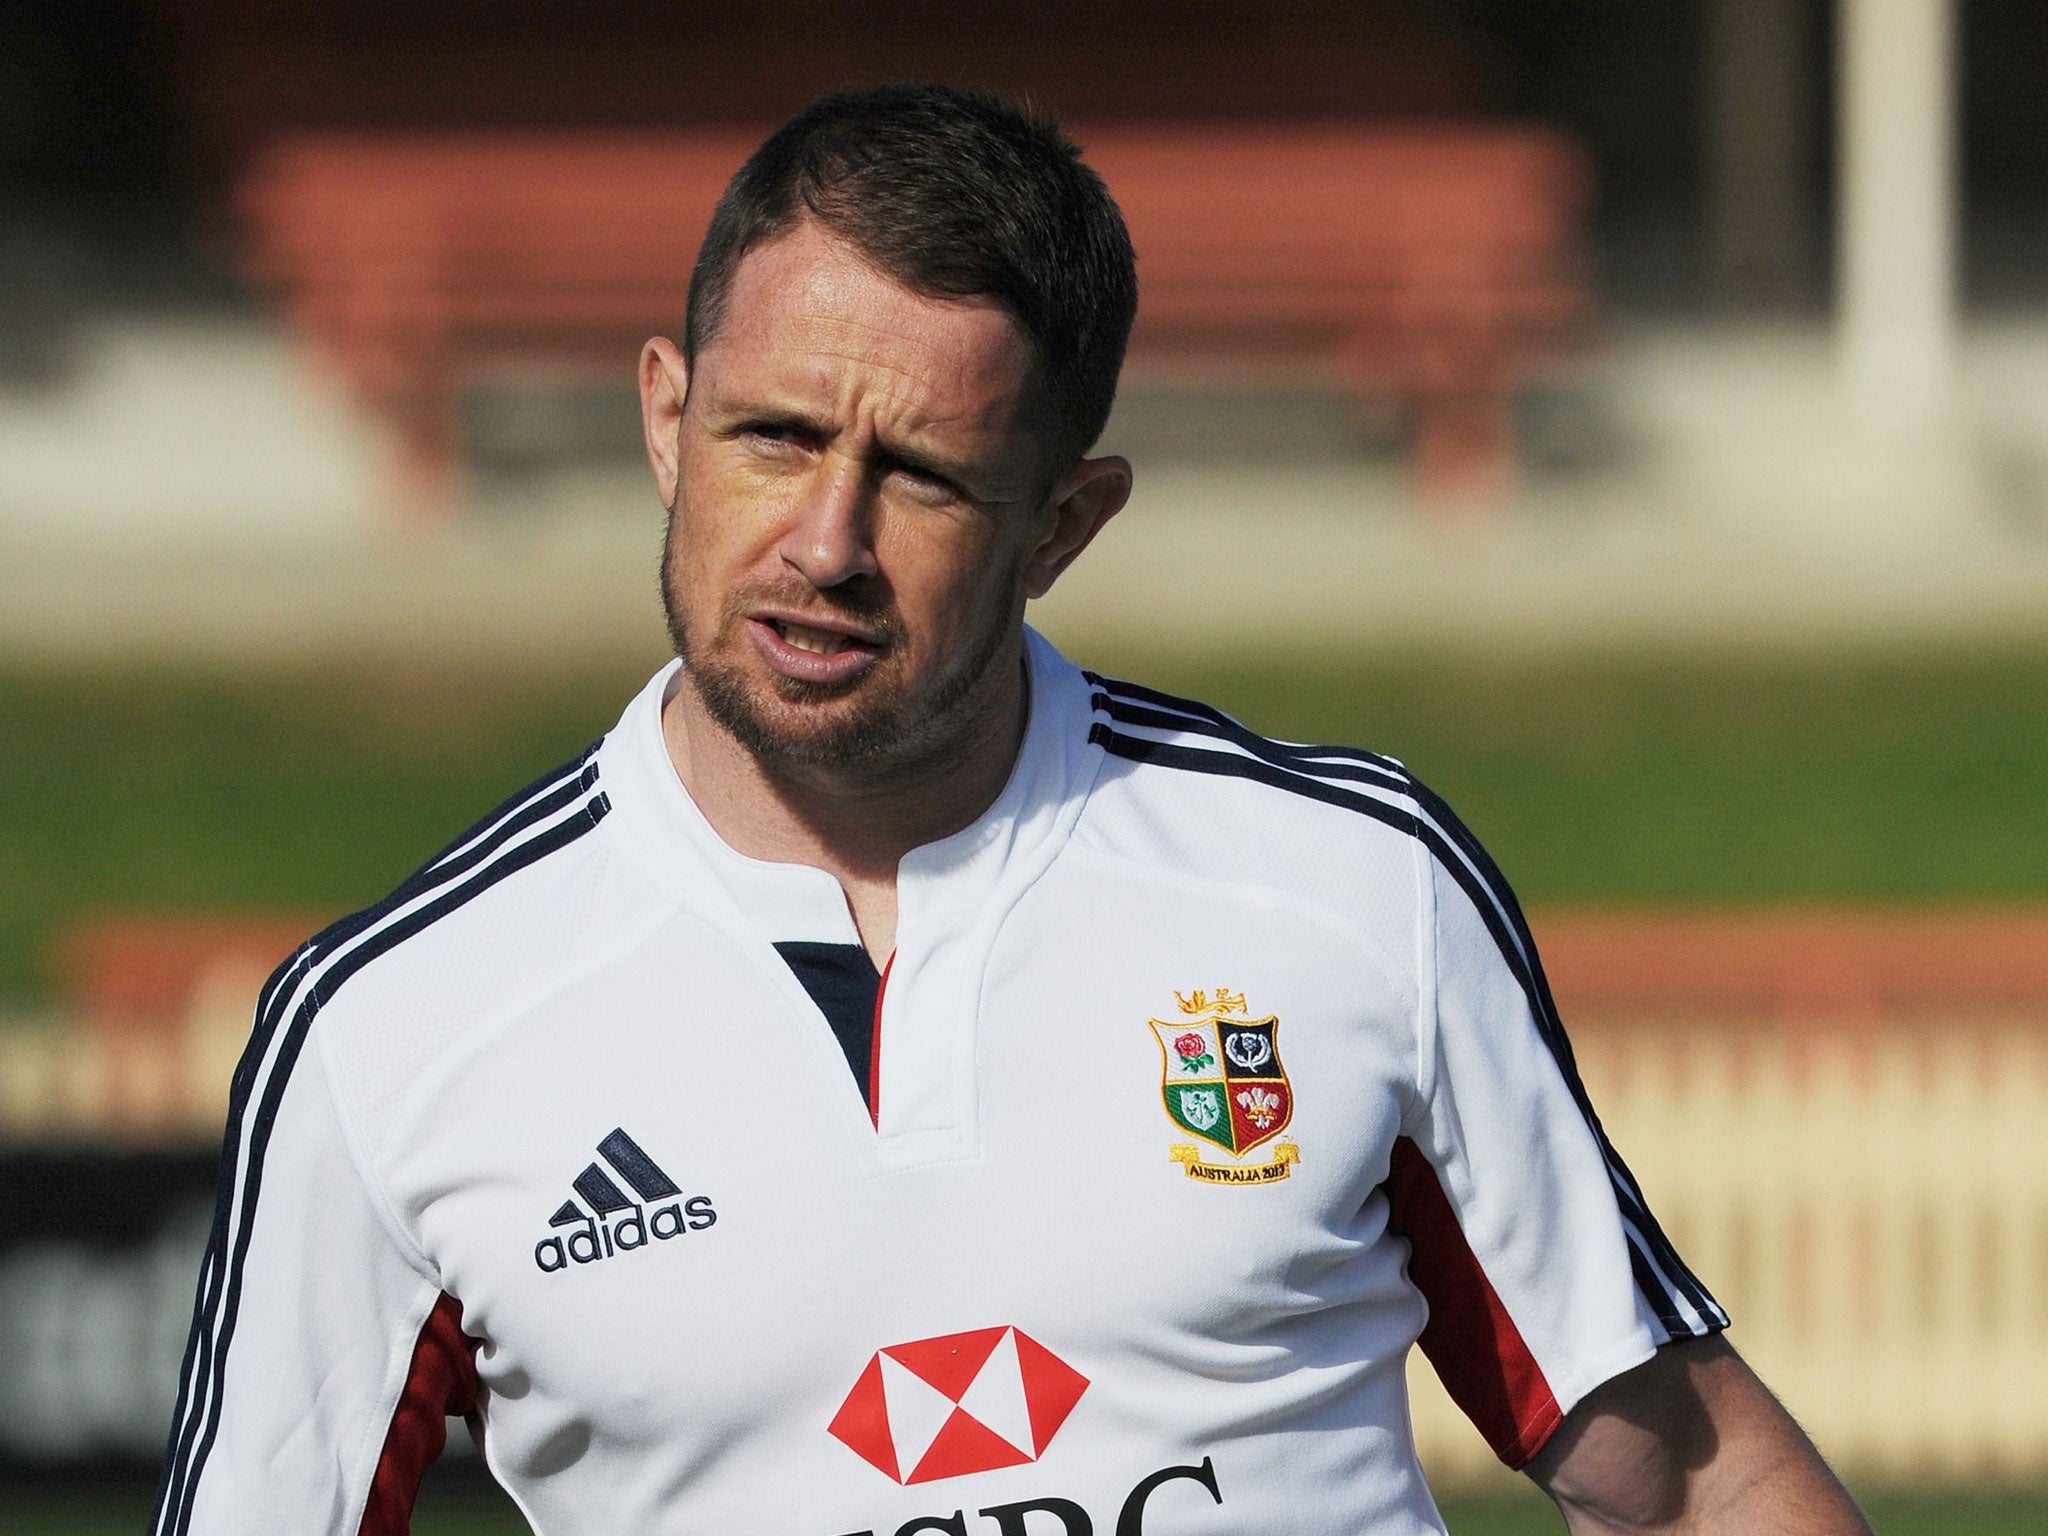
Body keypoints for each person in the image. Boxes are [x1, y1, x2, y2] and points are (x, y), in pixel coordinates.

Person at [153, 84, 1872, 1536]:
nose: (825, 543)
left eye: (921, 478)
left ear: (1064, 522)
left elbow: (1689, 1485)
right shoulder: (393, 1033)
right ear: (666, 421)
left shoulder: (1348, 891)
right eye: (771, 437)